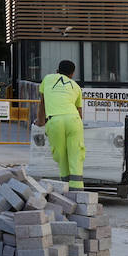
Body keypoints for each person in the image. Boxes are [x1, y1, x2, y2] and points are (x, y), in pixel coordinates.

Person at [36, 59, 84, 188]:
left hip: (55, 121)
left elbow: (42, 103)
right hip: (74, 120)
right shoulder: (76, 87)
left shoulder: (48, 79)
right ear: (72, 74)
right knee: (75, 154)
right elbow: (79, 112)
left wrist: (40, 121)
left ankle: (65, 186)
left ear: (57, 71)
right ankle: (77, 189)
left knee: (61, 156)